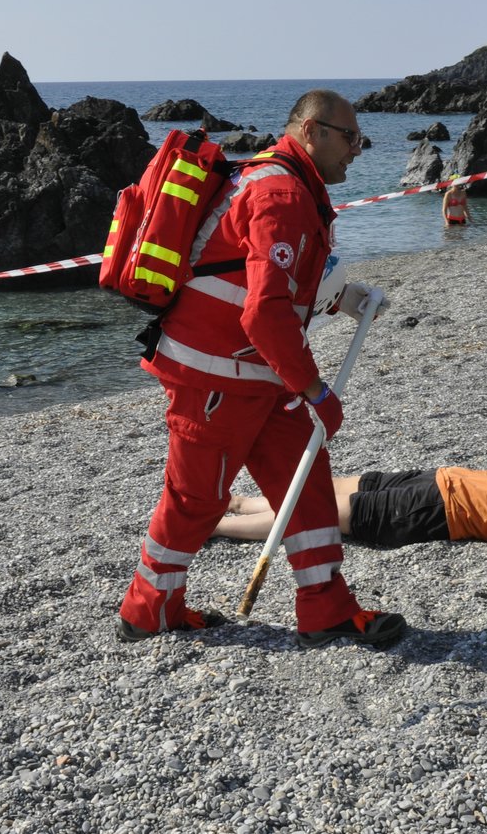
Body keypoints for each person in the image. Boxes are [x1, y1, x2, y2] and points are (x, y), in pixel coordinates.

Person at [117, 89, 406, 649]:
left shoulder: (277, 183)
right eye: (350, 137)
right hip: (217, 375)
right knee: (196, 499)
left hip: (256, 374)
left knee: (306, 482)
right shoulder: (281, 193)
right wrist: (315, 389)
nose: (358, 150)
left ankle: (326, 606)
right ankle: (149, 608)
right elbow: (264, 313)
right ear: (312, 131)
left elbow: (264, 281)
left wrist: (341, 299)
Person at [213, 423, 487, 548]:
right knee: (324, 489)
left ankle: (215, 526)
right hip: (436, 479)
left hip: (435, 513)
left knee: (319, 514)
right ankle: (242, 504)